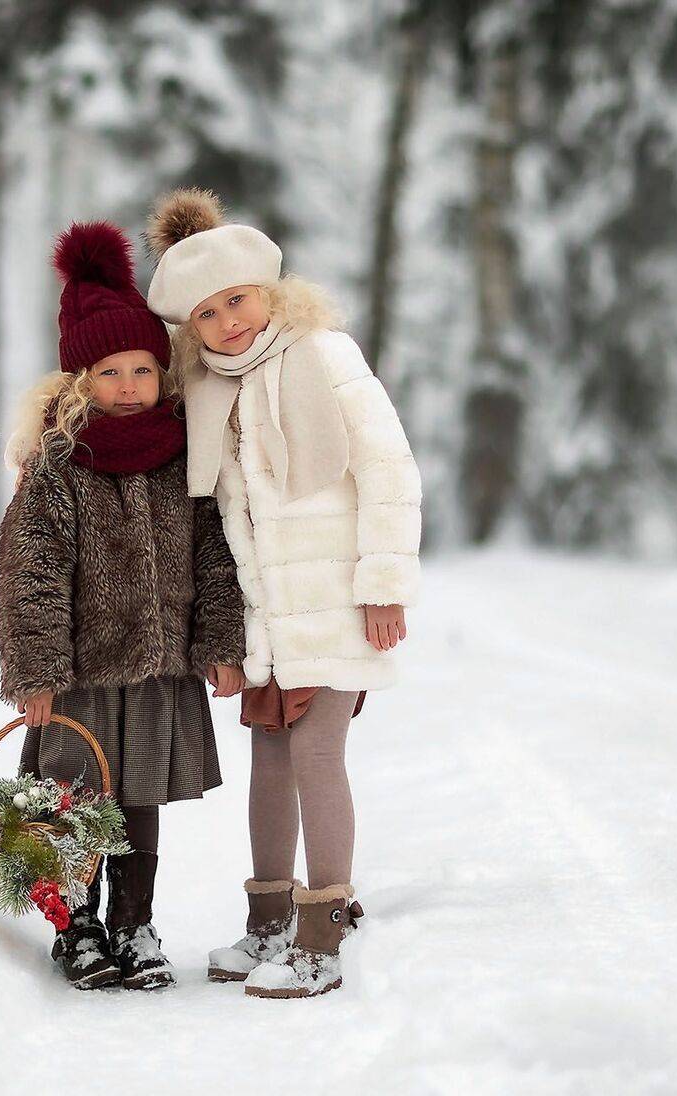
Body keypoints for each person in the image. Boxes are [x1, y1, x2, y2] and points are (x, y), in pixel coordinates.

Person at [144, 189, 423, 998]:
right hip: (266, 616)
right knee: (270, 758)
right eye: (207, 314)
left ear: (266, 289)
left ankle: (324, 932)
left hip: (336, 598)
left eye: (236, 300)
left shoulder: (324, 355)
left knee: (315, 753)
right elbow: (213, 517)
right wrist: (223, 632)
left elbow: (387, 469)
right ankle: (267, 921)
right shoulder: (208, 392)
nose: (228, 322)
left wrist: (383, 583)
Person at [0, 220, 245, 990]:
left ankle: (134, 924)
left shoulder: (181, 456)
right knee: (75, 798)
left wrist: (219, 644)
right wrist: (37, 670)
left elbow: (214, 555)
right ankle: (76, 927)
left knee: (138, 796)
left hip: (160, 667)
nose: (129, 385)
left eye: (142, 369)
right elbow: (30, 572)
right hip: (80, 674)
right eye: (110, 372)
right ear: (81, 381)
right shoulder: (60, 466)